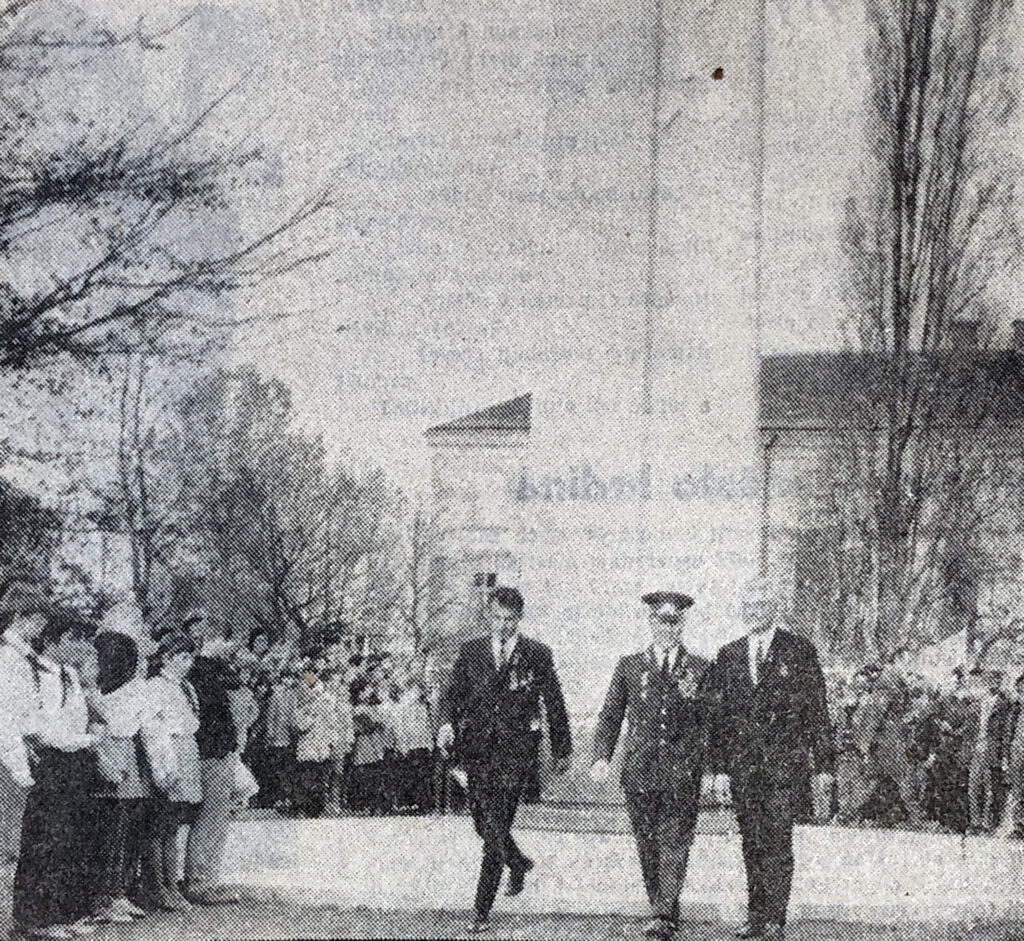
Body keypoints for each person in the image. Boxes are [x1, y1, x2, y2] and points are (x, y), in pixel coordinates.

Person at [437, 586, 572, 935]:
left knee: (495, 826)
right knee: (483, 825)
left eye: (510, 619)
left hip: (516, 756)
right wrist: (446, 724)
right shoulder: (471, 652)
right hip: (477, 753)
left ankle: (481, 910)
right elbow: (451, 695)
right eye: (497, 618)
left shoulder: (537, 654)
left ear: (519, 619)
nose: (503, 626)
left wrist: (562, 748)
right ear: (489, 616)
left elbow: (554, 702)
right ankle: (519, 862)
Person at [705, 577, 834, 941]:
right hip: (744, 768)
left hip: (782, 767)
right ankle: (756, 915)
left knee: (777, 840)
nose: (753, 610)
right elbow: (719, 719)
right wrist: (718, 770)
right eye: (748, 603)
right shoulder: (728, 654)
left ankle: (774, 920)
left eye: (761, 603)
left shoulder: (799, 650)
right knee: (751, 841)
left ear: (774, 607)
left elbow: (817, 712)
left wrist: (824, 766)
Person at [590, 590, 712, 940]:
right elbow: (611, 715)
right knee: (647, 843)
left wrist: (710, 768)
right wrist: (601, 756)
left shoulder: (701, 669)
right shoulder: (629, 666)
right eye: (661, 621)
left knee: (674, 839)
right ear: (650, 622)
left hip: (680, 773)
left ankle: (663, 915)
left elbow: (709, 722)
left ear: (683, 624)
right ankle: (663, 907)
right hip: (639, 771)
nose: (667, 629)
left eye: (674, 622)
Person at [11, 606, 98, 941]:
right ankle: (34, 918)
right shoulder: (36, 674)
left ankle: (62, 912)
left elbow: (76, 720)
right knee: (46, 840)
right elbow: (45, 729)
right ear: (60, 640)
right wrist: (87, 740)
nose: (86, 650)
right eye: (80, 641)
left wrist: (83, 739)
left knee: (70, 840)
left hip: (75, 761)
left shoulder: (71, 676)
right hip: (52, 764)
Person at [143, 632, 203, 911]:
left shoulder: (184, 687)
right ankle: (160, 886)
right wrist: (165, 767)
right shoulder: (156, 686)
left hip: (187, 751)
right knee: (162, 824)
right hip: (170, 753)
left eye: (190, 657)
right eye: (180, 657)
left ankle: (172, 883)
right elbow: (155, 731)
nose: (186, 663)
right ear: (166, 658)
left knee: (175, 823)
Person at [183, 628, 242, 905]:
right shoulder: (202, 672)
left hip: (218, 752)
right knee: (211, 817)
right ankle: (200, 881)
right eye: (224, 639)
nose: (229, 645)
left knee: (216, 817)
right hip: (212, 754)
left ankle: (208, 878)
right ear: (211, 641)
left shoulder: (210, 670)